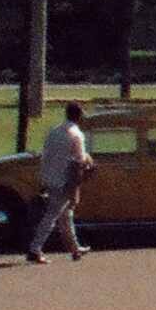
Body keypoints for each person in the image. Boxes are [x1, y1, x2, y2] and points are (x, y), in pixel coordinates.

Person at [25, 108, 97, 264]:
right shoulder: (76, 134)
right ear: (79, 117)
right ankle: (35, 249)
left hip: (49, 177)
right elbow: (80, 159)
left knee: (65, 214)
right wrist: (89, 161)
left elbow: (46, 155)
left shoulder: (54, 131)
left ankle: (75, 248)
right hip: (65, 180)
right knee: (52, 215)